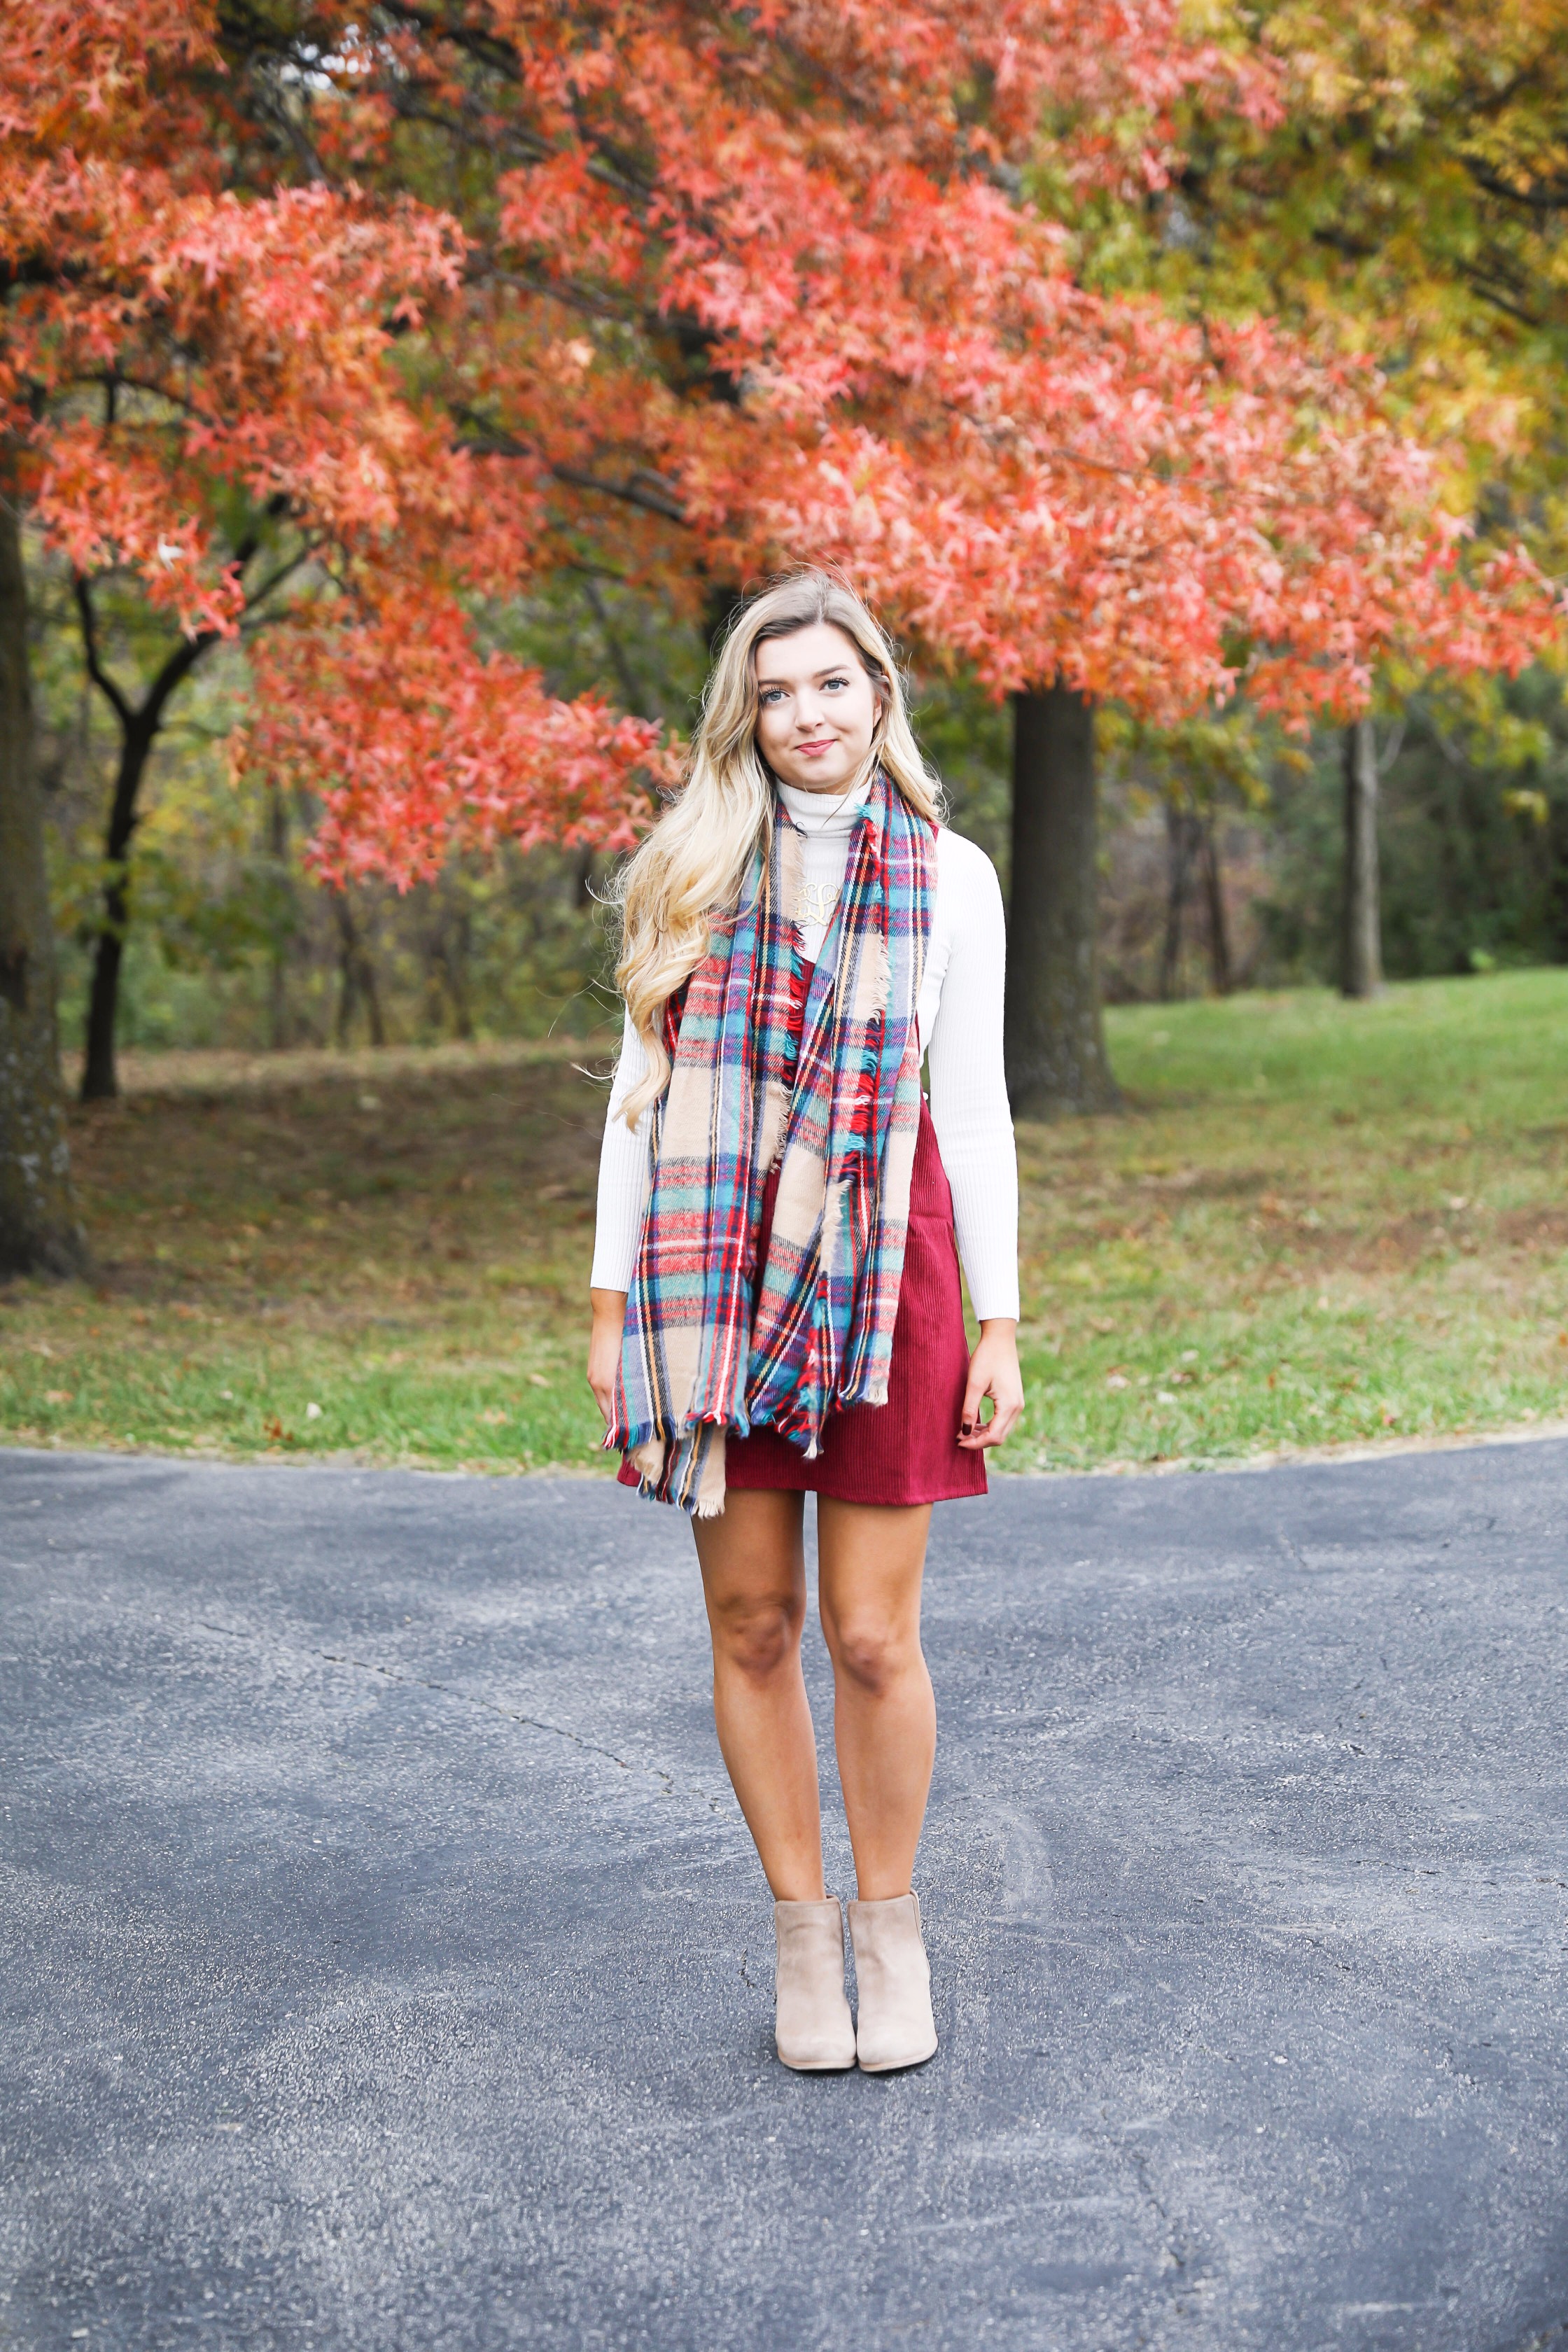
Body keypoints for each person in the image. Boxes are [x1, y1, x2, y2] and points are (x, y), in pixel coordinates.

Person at [587, 570, 1022, 2073]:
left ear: (880, 695)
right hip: (711, 1271)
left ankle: (890, 1928)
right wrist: (605, 1309)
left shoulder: (949, 874)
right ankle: (800, 1935)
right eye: (773, 693)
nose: (803, 715)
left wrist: (1000, 1321)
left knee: (870, 1633)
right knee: (753, 1623)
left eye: (830, 684)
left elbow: (972, 1107)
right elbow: (637, 1109)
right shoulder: (693, 871)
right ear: (743, 716)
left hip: (891, 1266)